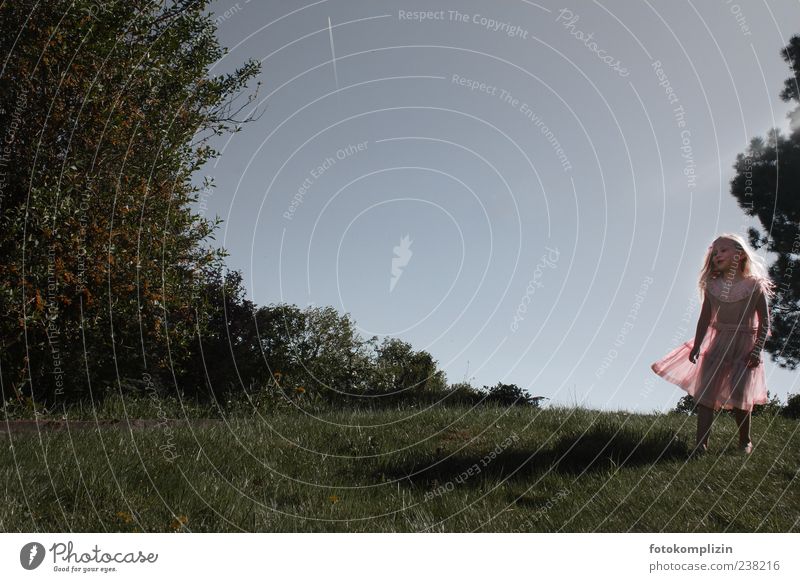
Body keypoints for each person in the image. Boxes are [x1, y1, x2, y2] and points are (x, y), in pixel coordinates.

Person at [651, 233, 775, 456]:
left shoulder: (754, 285)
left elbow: (764, 321)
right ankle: (701, 445)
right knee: (706, 395)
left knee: (740, 394)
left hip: (745, 346)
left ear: (740, 254)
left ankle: (745, 440)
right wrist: (697, 346)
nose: (717, 255)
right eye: (715, 252)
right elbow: (705, 319)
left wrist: (757, 350)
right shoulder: (712, 286)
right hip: (717, 345)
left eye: (723, 250)